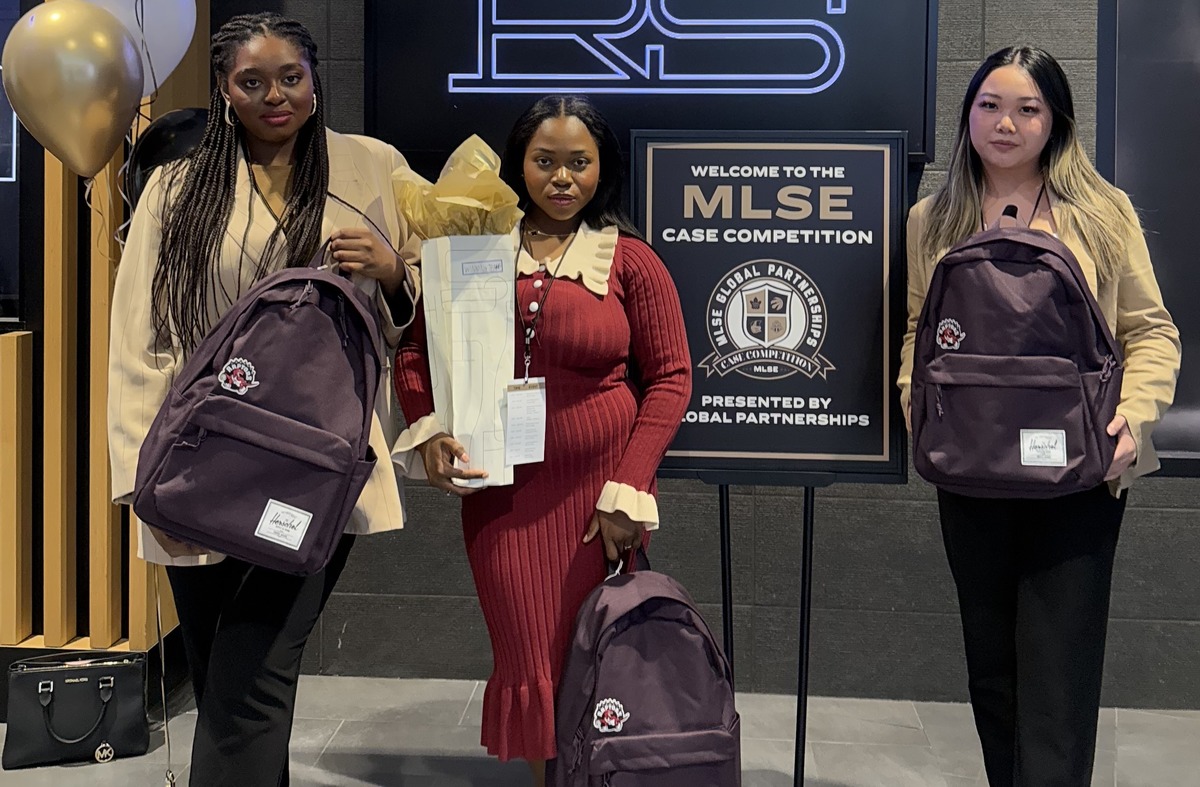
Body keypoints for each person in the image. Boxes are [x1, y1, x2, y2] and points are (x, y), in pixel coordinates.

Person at [107, 12, 420, 785]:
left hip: (316, 464)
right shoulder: (179, 188)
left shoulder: (373, 168)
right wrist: (142, 482)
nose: (274, 95)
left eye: (290, 78)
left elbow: (449, 284)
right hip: (200, 460)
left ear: (316, 82)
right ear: (223, 90)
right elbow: (140, 339)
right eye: (252, 81)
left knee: (253, 676)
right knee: (222, 673)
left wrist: (392, 273)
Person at [897, 46, 1181, 785]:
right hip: (970, 474)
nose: (1006, 122)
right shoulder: (934, 217)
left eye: (1027, 108)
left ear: (1056, 120)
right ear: (968, 114)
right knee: (991, 669)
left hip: (1079, 476)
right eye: (990, 104)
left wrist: (1134, 419)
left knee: (1057, 679)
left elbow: (1151, 331)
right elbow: (917, 328)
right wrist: (914, 402)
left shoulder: (1102, 212)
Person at [392, 95, 692, 784]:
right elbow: (415, 353)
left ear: (601, 168)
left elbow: (672, 378)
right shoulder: (470, 251)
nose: (563, 178)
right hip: (504, 497)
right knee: (529, 655)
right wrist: (431, 428)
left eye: (579, 163)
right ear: (518, 164)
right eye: (546, 161)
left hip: (600, 499)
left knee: (591, 655)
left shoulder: (631, 261)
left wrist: (629, 490)